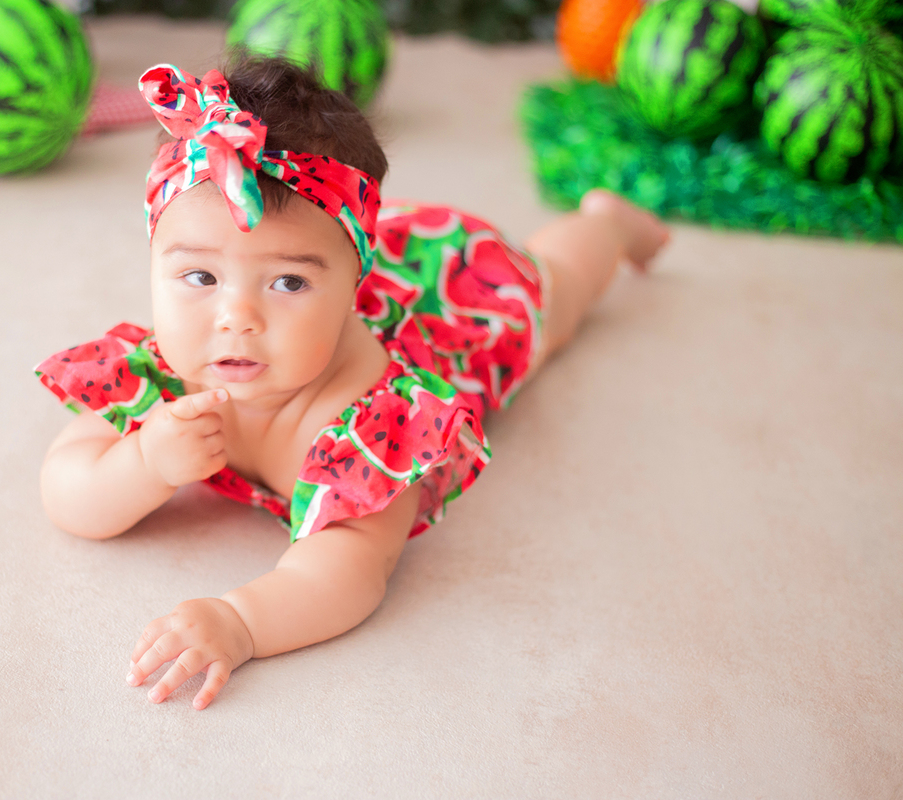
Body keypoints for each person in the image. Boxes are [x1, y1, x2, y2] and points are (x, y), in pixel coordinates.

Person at [34, 57, 670, 710]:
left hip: (449, 293)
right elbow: (66, 487)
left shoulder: (364, 423)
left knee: (553, 298)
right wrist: (142, 462)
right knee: (279, 249)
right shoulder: (163, 373)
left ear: (351, 289)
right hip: (344, 233)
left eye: (289, 284)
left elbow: (347, 574)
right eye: (199, 278)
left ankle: (608, 224)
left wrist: (241, 622)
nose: (236, 320)